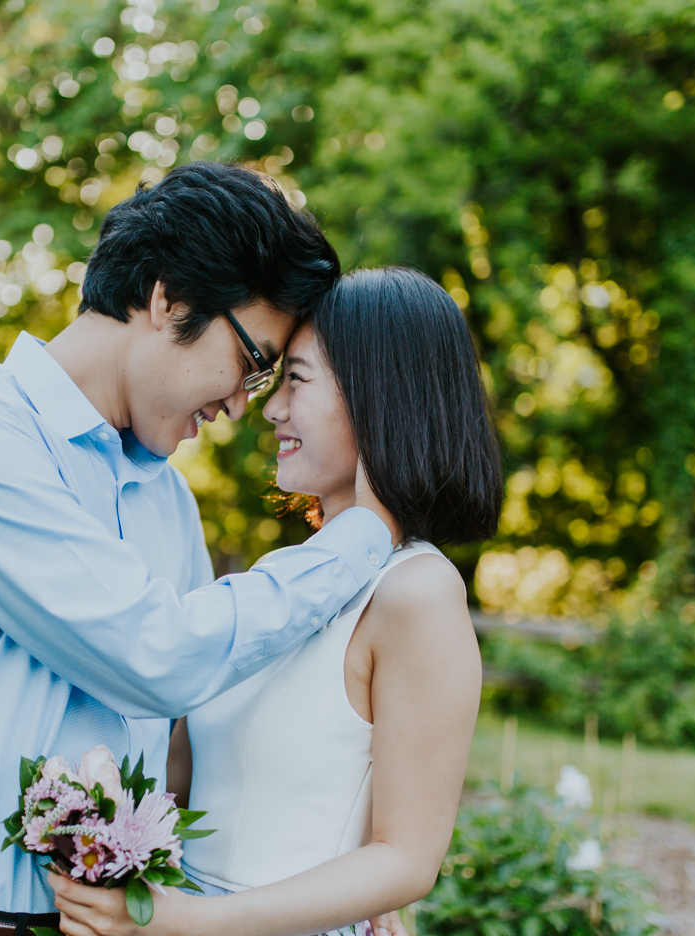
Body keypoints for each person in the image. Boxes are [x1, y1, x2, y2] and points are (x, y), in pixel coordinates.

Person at [0, 162, 400, 936]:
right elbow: (157, 654)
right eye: (249, 363)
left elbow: (194, 733)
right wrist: (364, 534)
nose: (242, 406)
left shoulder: (165, 498)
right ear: (167, 297)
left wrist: (353, 882)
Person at [50, 268, 503, 936]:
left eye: (298, 378)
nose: (270, 408)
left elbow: (407, 860)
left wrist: (185, 922)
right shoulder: (284, 579)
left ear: (380, 397)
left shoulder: (416, 593)